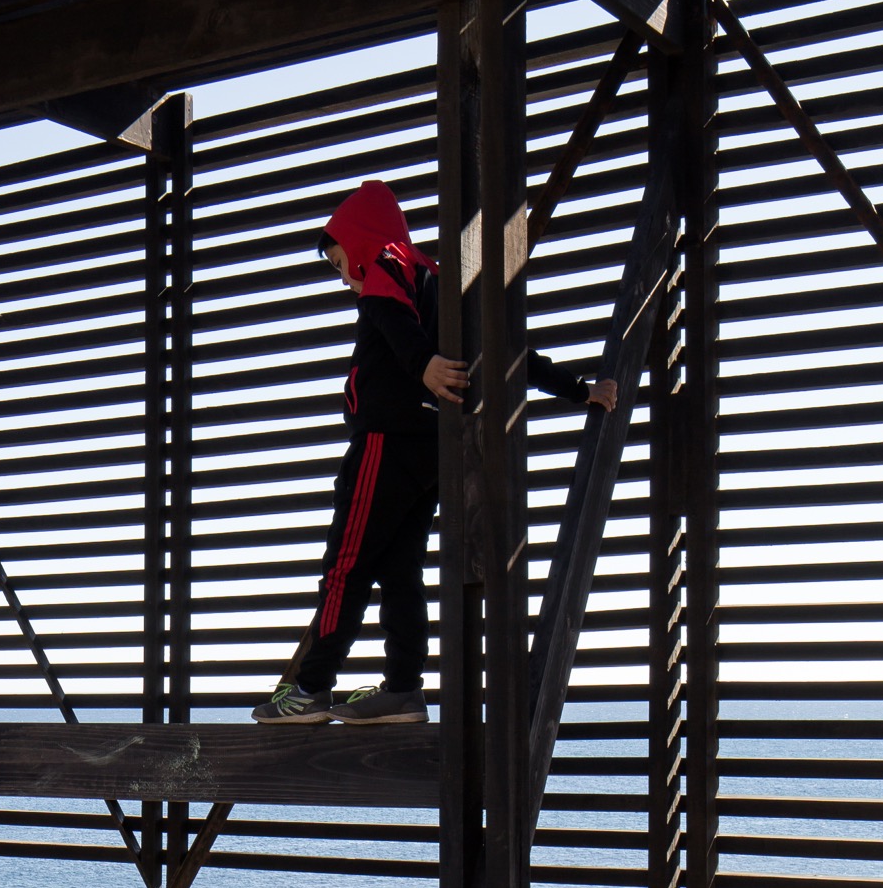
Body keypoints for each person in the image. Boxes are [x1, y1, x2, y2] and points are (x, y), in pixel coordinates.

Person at [254, 178, 617, 726]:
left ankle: (309, 688)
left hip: (383, 446)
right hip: (430, 455)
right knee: (400, 571)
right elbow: (508, 350)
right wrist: (579, 389)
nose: (346, 279)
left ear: (362, 241)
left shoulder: (385, 267)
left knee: (345, 566)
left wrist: (422, 364)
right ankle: (403, 689)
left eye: (339, 263)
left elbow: (392, 323)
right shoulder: (440, 284)